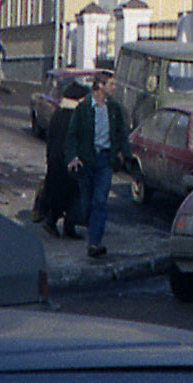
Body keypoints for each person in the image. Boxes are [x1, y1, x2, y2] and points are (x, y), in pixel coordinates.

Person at [65, 73, 132, 259]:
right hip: (87, 161)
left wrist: (123, 154)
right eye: (111, 84)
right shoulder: (84, 108)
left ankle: (94, 242)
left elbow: (122, 134)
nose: (114, 88)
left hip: (105, 161)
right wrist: (72, 157)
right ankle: (86, 223)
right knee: (87, 202)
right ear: (100, 85)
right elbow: (72, 135)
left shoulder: (114, 109)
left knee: (100, 201)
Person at [42, 80, 88, 239]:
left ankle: (63, 225)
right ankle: (56, 223)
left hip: (56, 161)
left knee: (61, 194)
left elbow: (51, 139)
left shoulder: (58, 114)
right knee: (70, 195)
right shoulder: (76, 117)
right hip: (69, 162)